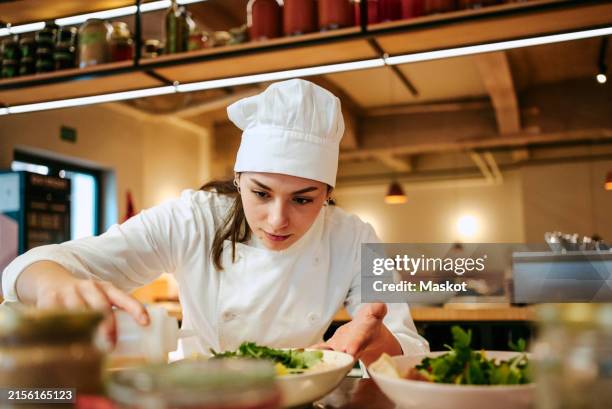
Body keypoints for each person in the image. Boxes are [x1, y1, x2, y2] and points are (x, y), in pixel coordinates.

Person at [1, 79, 428, 365]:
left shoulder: (353, 237)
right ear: (238, 179)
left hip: (303, 395)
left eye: (304, 199)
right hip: (200, 395)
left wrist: (379, 346)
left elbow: (407, 344)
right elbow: (37, 265)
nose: (278, 219)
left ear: (328, 195)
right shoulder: (194, 216)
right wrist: (51, 283)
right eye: (260, 193)